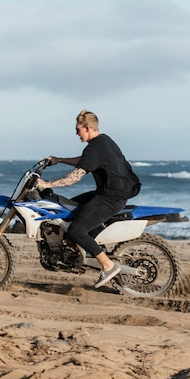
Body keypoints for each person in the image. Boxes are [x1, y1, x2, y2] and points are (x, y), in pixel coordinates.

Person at [36, 110, 141, 288]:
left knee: (76, 230)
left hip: (111, 198)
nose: (76, 133)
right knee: (70, 209)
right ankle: (80, 251)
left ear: (86, 128)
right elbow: (84, 160)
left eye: (78, 130)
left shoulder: (94, 147)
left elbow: (75, 177)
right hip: (110, 193)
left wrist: (47, 184)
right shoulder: (103, 141)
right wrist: (59, 160)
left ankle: (108, 265)